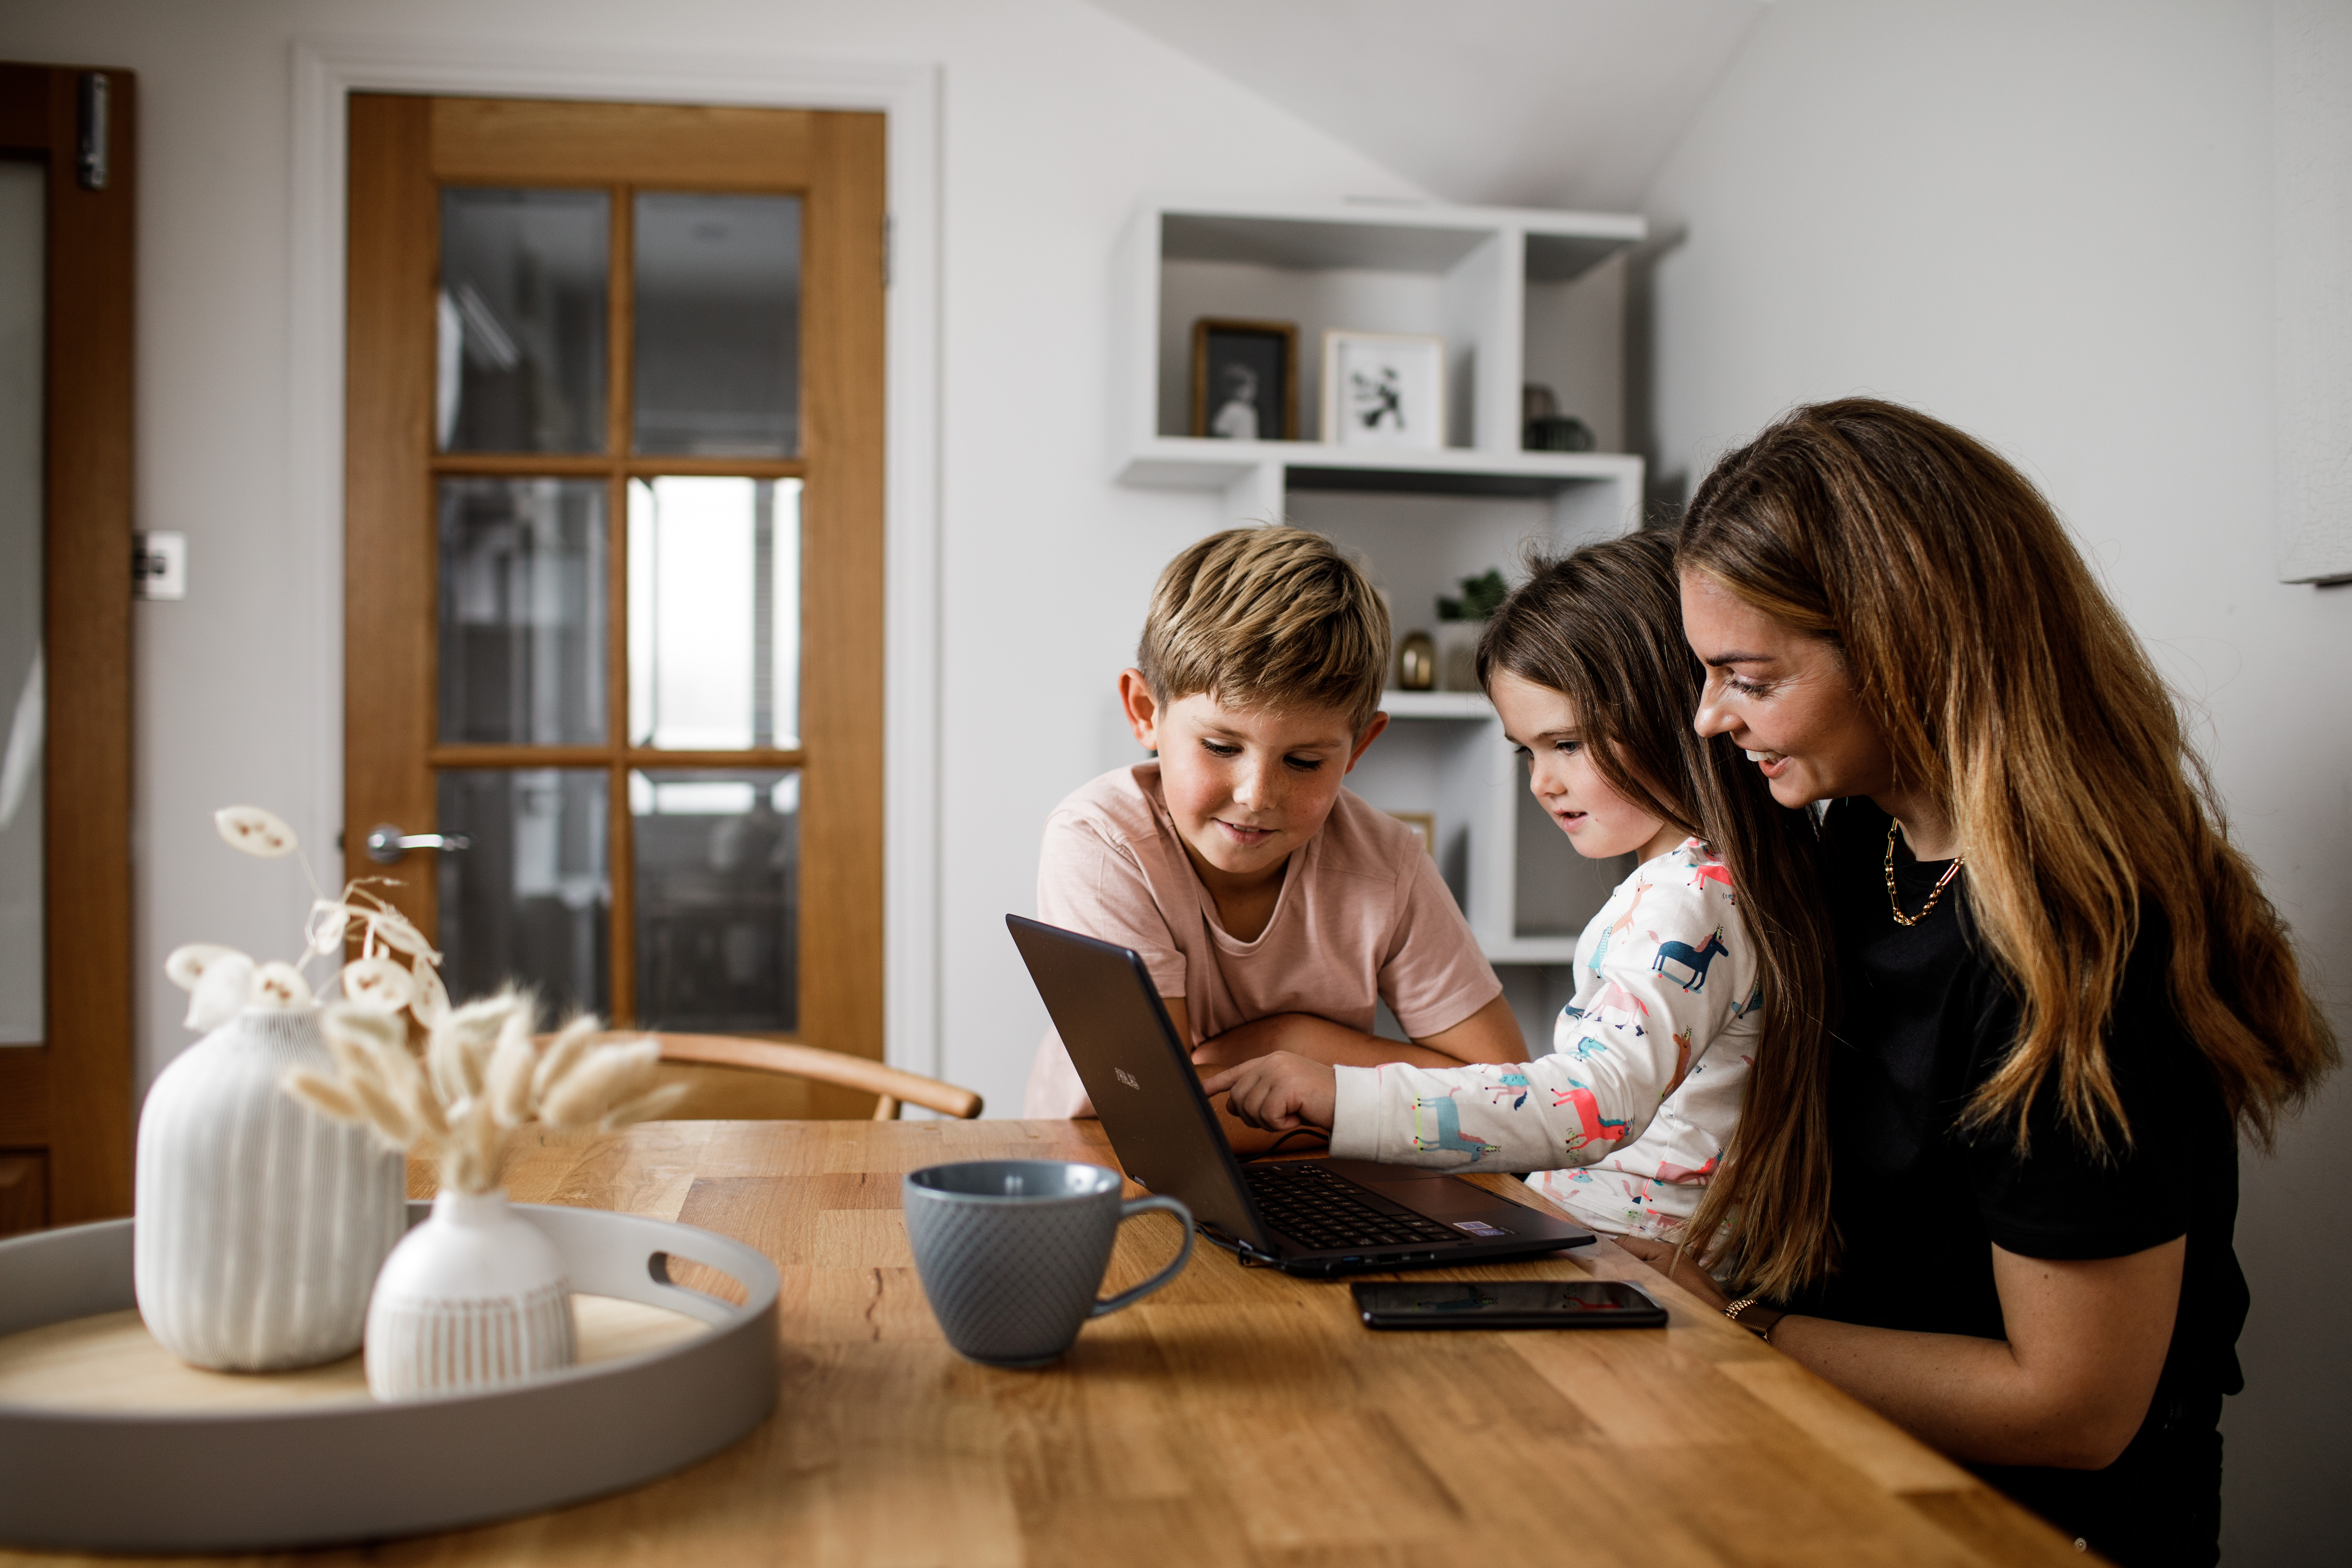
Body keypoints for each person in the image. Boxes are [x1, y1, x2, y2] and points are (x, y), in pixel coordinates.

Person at [1644, 398, 2337, 1568]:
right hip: (1850, 1465)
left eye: (1747, 675)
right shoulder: (1860, 838)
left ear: (1905, 641)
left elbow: (2067, 1406)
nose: (1713, 716)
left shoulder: (2080, 951)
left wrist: (1738, 1320)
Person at [1205, 531, 1830, 1242]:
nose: (1542, 782)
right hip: (1587, 1224)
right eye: (1525, 750)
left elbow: (1590, 1104)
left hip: (1629, 1251)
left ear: (1664, 709)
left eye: (1565, 743)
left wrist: (1338, 1097)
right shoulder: (1712, 882)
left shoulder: (1685, 901)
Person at [1022, 525, 1524, 1134]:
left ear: (1359, 747)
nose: (1257, 796)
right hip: (1105, 1175)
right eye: (1218, 746)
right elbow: (1163, 1126)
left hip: (1311, 1179)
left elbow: (1508, 1100)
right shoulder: (1101, 842)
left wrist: (1289, 1054)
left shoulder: (1385, 864)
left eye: (1304, 762)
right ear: (1144, 712)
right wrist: (1308, 1060)